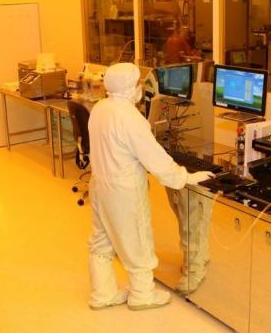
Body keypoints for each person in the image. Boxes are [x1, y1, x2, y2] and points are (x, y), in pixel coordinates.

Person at [87, 62, 214, 311]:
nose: (140, 88)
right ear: (128, 87)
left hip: (100, 186)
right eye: (137, 83)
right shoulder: (130, 118)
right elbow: (156, 160)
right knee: (137, 241)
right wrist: (186, 177)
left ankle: (101, 295)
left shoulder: (101, 108)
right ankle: (142, 295)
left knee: (101, 242)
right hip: (123, 191)